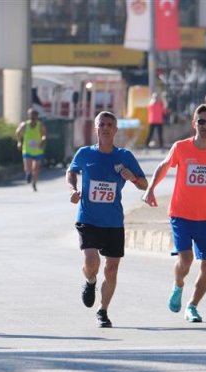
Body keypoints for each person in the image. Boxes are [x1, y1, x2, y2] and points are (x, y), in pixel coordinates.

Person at [142, 103, 206, 323]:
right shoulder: (181, 147)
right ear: (194, 124)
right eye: (200, 121)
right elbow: (164, 166)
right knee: (185, 258)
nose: (204, 125)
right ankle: (178, 284)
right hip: (181, 214)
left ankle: (192, 306)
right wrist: (150, 189)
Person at [67, 111, 148, 328]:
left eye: (109, 124)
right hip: (88, 218)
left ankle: (103, 311)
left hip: (113, 222)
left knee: (111, 269)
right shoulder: (85, 154)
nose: (105, 127)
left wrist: (133, 178)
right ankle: (90, 280)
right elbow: (71, 171)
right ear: (96, 128)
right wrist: (74, 189)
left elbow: (144, 184)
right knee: (92, 263)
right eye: (101, 124)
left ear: (115, 129)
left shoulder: (124, 157)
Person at [16, 108, 47, 191]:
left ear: (37, 116)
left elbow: (44, 135)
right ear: (28, 116)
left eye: (34, 115)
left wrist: (43, 140)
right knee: (28, 166)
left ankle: (34, 183)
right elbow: (18, 133)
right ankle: (28, 174)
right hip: (27, 149)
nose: (33, 117)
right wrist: (19, 142)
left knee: (36, 168)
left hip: (38, 150)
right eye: (31, 115)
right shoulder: (24, 125)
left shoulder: (40, 125)